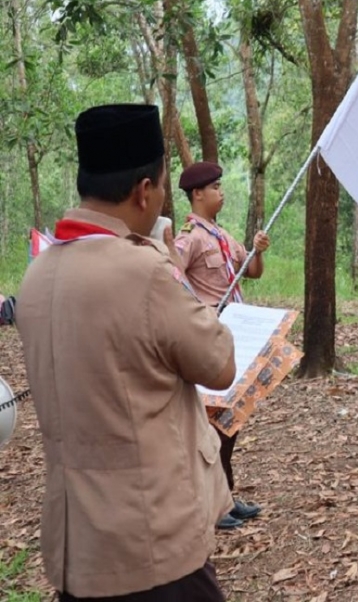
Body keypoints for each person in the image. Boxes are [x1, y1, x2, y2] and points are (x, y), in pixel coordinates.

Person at [17, 104, 234, 600]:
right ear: (144, 191)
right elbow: (219, 363)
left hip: (78, 548)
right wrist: (166, 260)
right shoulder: (144, 273)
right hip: (152, 544)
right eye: (161, 189)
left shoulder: (38, 274)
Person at [175, 161, 270, 530]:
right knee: (214, 424)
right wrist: (198, 312)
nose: (221, 192)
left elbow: (253, 272)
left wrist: (258, 250)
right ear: (197, 194)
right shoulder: (190, 237)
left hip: (235, 340)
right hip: (210, 337)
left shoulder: (222, 236)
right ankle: (212, 504)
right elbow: (171, 275)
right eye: (215, 187)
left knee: (231, 421)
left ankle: (226, 495)